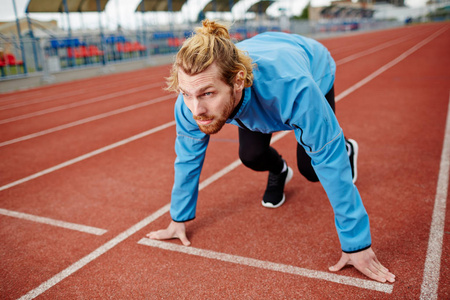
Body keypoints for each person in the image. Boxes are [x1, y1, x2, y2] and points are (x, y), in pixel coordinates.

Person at [148, 20, 395, 283]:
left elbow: (328, 158)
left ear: (238, 81)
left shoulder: (295, 89)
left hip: (311, 67)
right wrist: (178, 218)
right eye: (186, 94)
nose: (196, 110)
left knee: (312, 169)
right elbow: (187, 157)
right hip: (256, 88)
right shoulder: (192, 101)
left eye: (207, 94)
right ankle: (280, 170)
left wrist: (356, 244)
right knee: (251, 156)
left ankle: (347, 147)